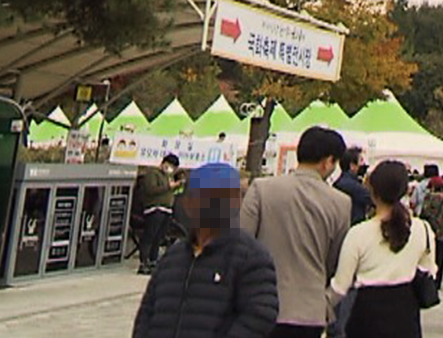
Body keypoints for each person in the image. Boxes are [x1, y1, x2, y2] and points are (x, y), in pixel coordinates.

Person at [134, 162, 279, 338]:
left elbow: (260, 316)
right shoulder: (173, 256)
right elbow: (147, 311)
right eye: (200, 198)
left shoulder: (252, 257)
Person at [241, 126, 354, 338]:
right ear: (327, 161)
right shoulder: (341, 203)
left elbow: (243, 242)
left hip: (261, 303)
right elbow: (334, 259)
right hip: (309, 309)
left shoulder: (261, 189)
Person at [330, 161, 435, 338]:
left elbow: (340, 286)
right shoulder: (422, 229)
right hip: (405, 312)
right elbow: (429, 270)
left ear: (372, 191)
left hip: (366, 313)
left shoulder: (358, 233)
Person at [135, 153, 182, 274]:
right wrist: (169, 186)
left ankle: (153, 260)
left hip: (167, 209)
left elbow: (169, 190)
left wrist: (176, 186)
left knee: (158, 237)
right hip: (155, 209)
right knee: (149, 236)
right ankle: (143, 262)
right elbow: (151, 189)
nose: (171, 169)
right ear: (164, 163)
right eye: (171, 166)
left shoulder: (169, 176)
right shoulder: (153, 173)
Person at [418, 175, 443, 289]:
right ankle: (438, 282)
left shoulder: (428, 197)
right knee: (441, 259)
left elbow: (423, 213)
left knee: (430, 258)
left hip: (431, 231)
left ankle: (430, 281)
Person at [335, 148, 373, 224]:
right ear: (352, 166)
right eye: (361, 161)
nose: (364, 164)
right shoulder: (351, 185)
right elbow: (372, 198)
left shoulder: (342, 182)